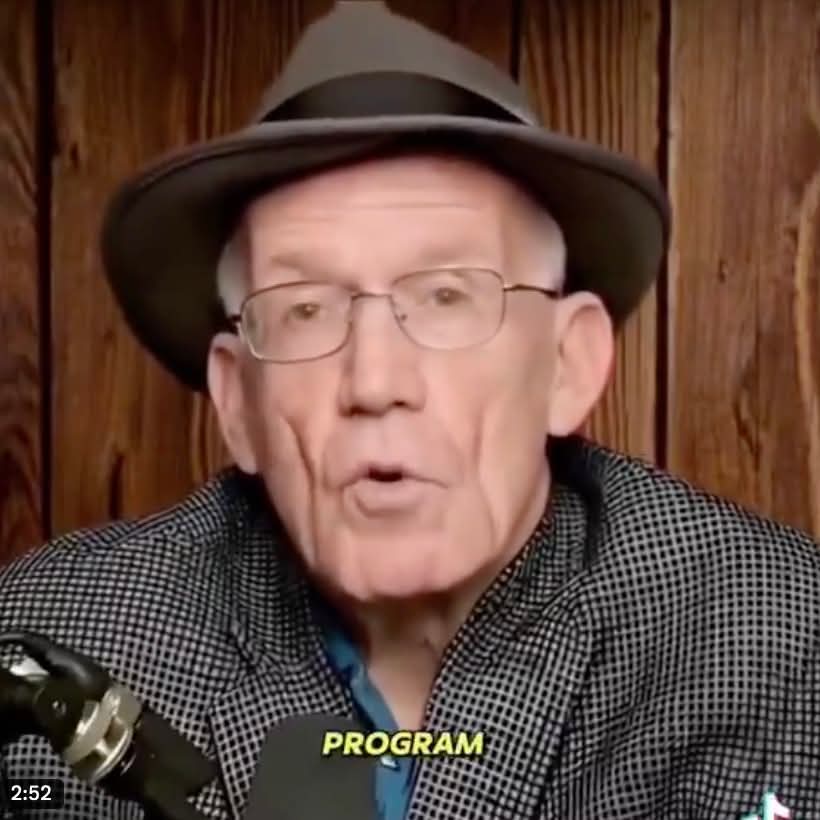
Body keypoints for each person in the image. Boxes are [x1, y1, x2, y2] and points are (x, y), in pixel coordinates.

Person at [1, 3, 818, 819]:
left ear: (568, 365)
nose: (375, 380)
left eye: (446, 297)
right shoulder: (53, 635)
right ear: (238, 400)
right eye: (306, 310)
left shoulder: (779, 644)